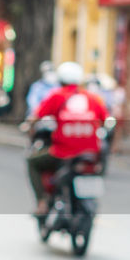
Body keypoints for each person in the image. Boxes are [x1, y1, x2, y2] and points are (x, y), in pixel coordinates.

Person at [26, 62, 109, 216]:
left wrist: (29, 125)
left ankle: (42, 202)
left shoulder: (57, 96)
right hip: (91, 153)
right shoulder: (92, 98)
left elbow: (37, 116)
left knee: (32, 162)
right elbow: (106, 120)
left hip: (63, 152)